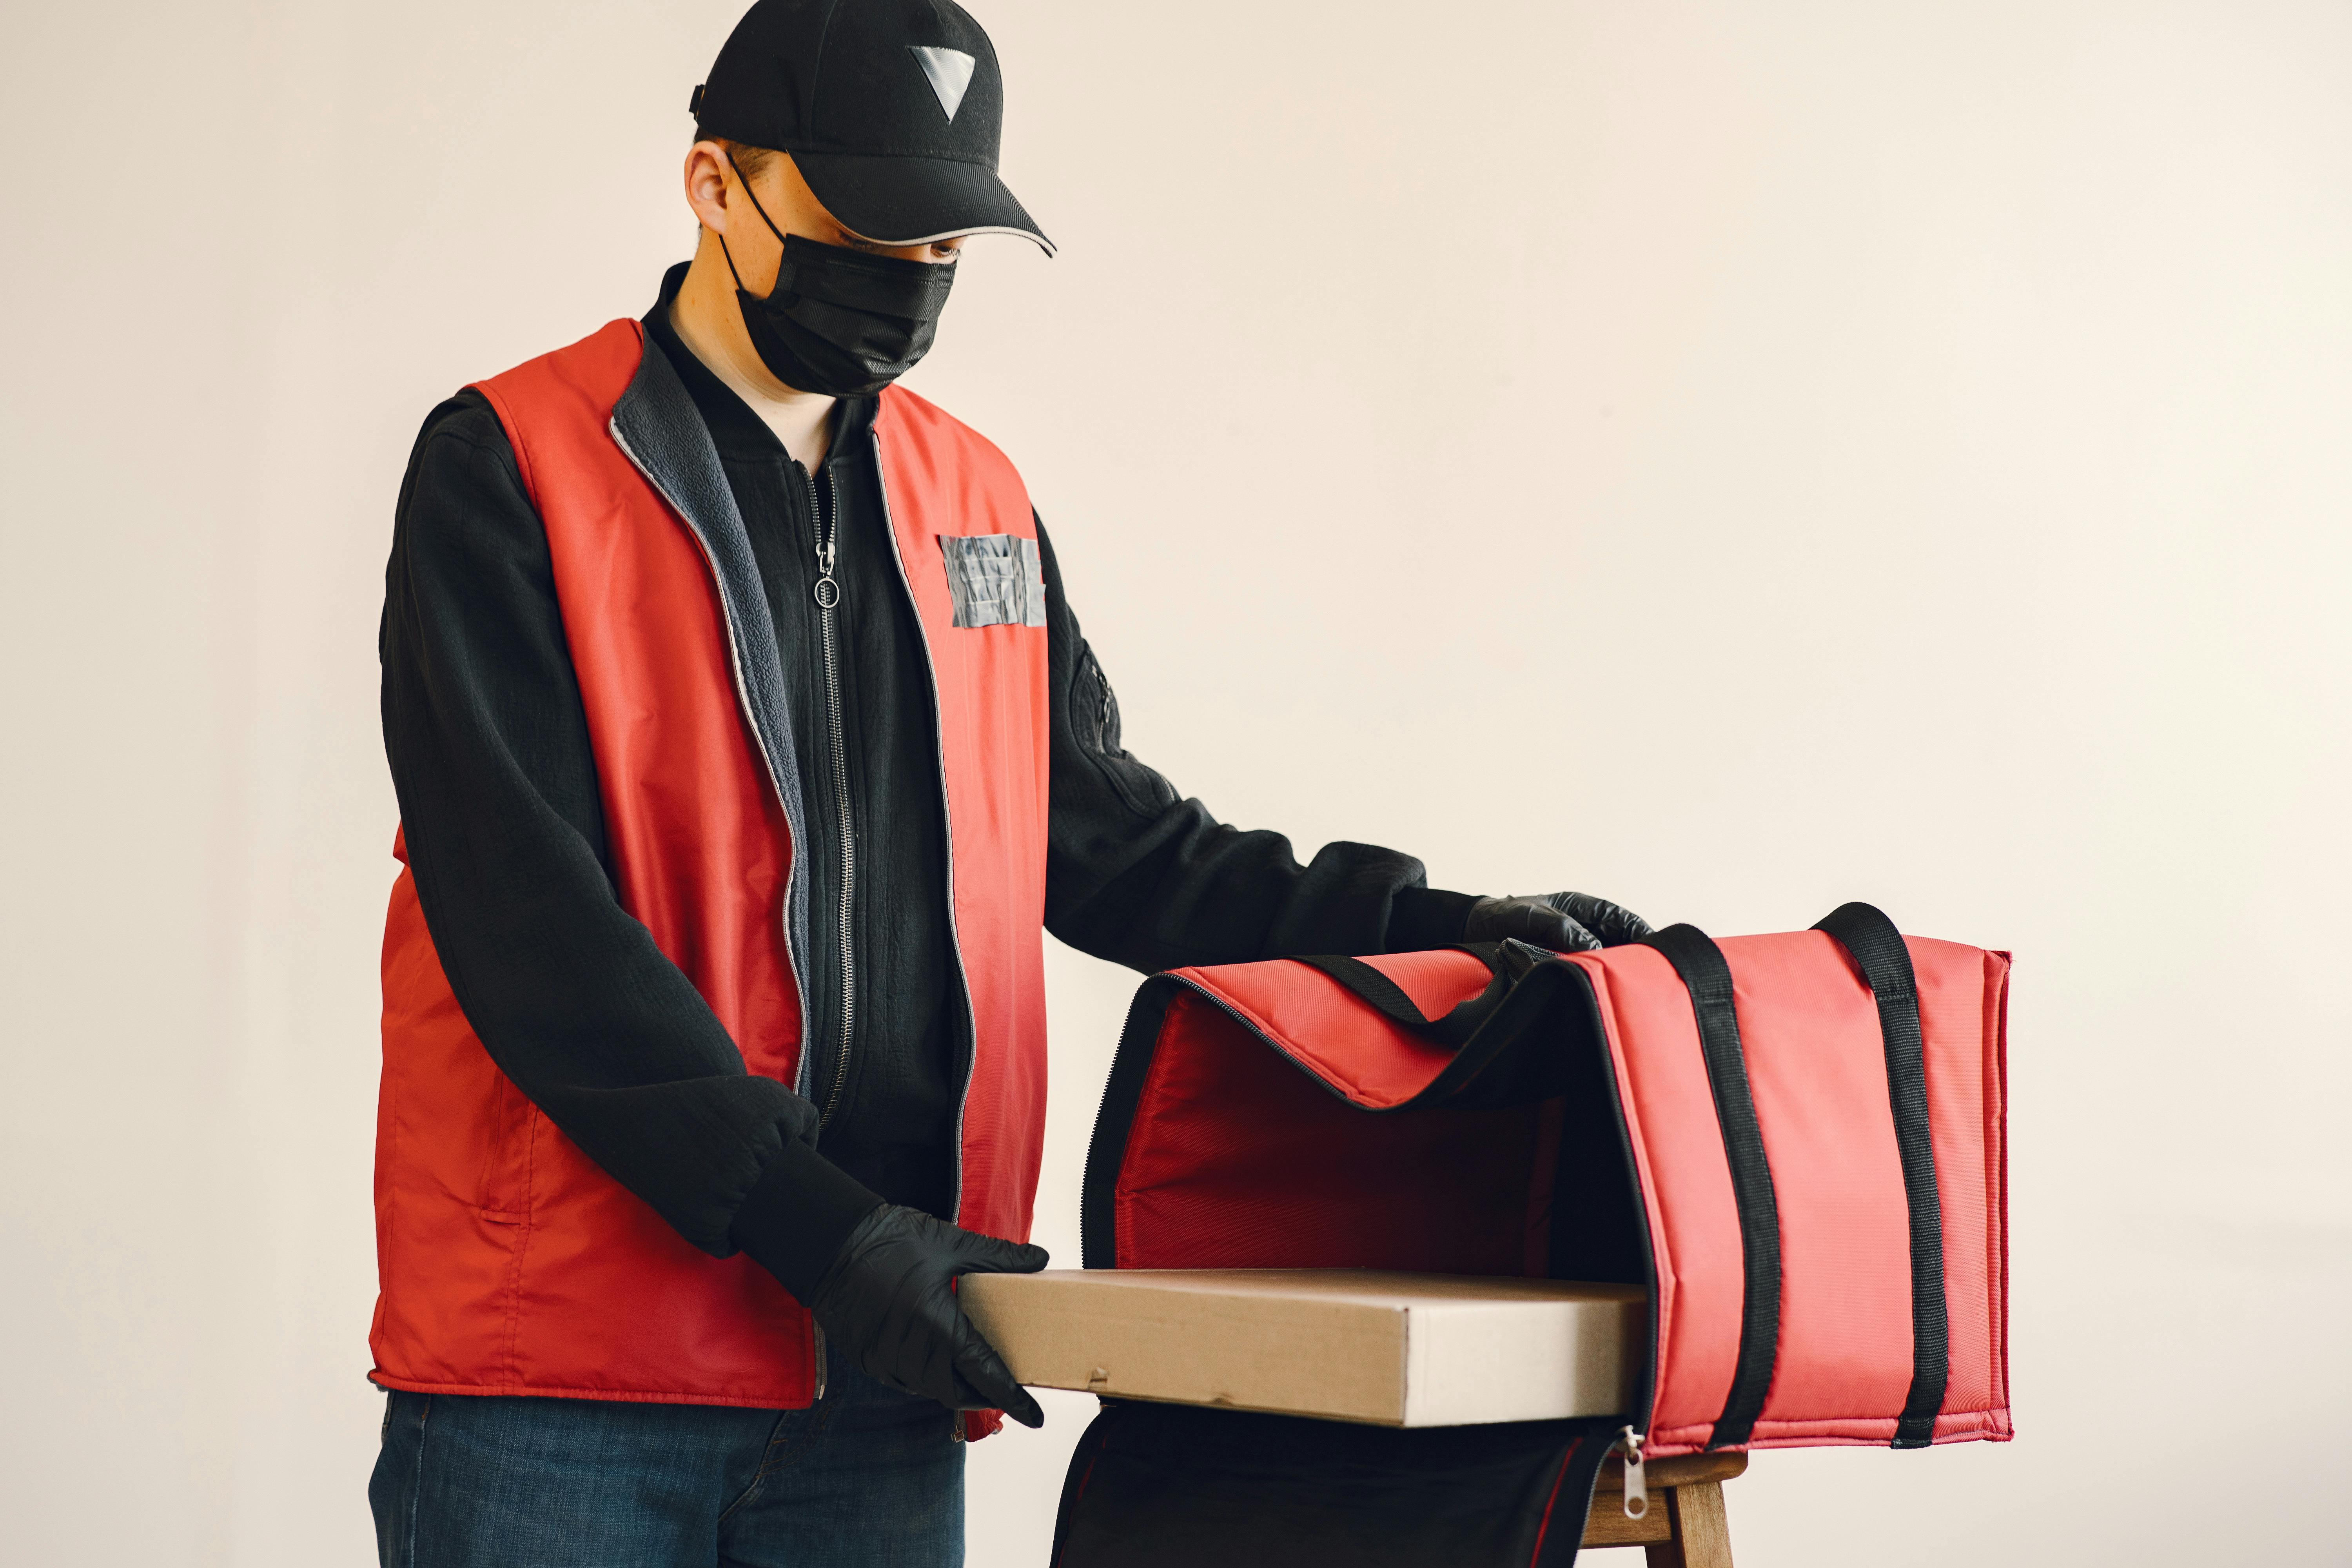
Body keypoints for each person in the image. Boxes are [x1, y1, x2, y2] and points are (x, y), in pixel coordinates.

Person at [366, 1, 1650, 1563]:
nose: (907, 283)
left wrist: (1434, 925)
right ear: (715, 184)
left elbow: (1113, 848)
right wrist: (829, 1235)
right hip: (572, 1382)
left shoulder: (972, 498)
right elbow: (532, 933)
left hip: (889, 1376)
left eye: (944, 249)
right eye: (864, 228)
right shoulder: (511, 464)